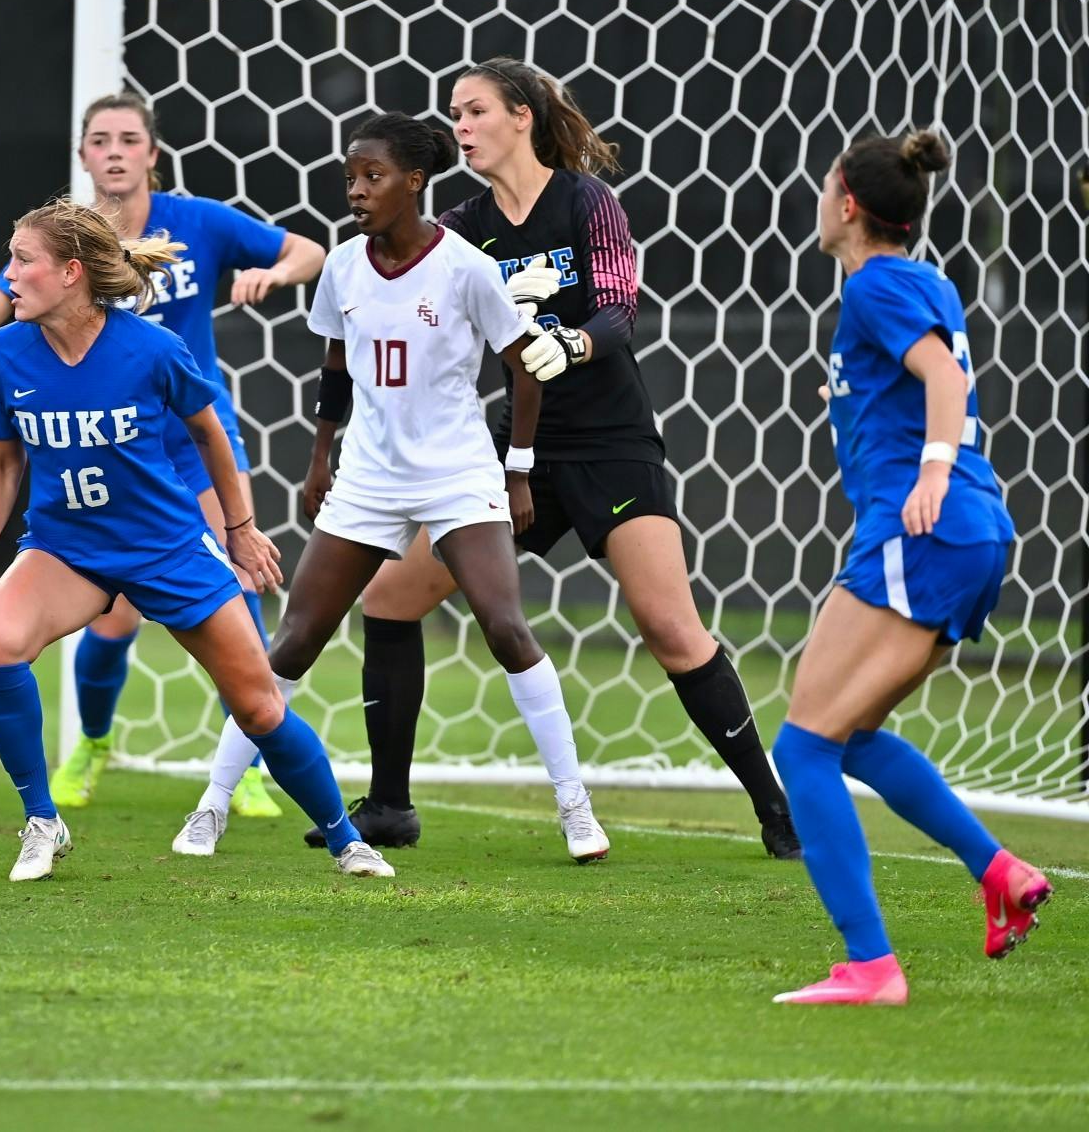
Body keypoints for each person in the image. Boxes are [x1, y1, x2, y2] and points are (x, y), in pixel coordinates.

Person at [314, 58, 798, 858]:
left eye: (474, 110)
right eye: (455, 113)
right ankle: (391, 806)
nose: (461, 126)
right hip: (515, 453)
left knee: (672, 630)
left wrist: (568, 344)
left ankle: (777, 811)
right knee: (391, 600)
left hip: (611, 444)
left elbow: (619, 312)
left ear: (522, 117)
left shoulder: (586, 201)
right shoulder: (460, 227)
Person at [174, 114, 608, 864]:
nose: (357, 191)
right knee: (294, 641)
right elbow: (335, 368)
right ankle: (212, 805)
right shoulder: (343, 266)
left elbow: (525, 368)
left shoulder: (467, 267)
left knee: (506, 627)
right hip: (369, 477)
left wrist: (519, 469)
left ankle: (575, 807)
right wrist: (320, 458)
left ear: (415, 182)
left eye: (372, 177)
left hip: (458, 472)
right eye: (350, 178)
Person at [0, 197, 391, 883]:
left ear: (71, 273)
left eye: (23, 261)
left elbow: (209, 432)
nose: (11, 276)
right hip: (66, 549)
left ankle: (345, 838)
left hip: (167, 548)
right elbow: (3, 463)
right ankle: (42, 821)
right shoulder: (3, 353)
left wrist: (239, 530)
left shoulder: (151, 348)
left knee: (259, 706)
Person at [0, 92, 326, 818]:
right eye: (100, 139)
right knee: (112, 620)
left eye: (128, 138)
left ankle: (247, 760)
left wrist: (275, 275)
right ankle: (93, 743)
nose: (114, 150)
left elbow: (308, 251)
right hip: (103, 451)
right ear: (83, 154)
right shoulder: (56, 243)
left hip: (193, 443)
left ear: (152, 152)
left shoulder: (198, 223)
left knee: (238, 582)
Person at [769, 129, 1045, 1006]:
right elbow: (915, 376)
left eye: (826, 187)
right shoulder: (924, 281)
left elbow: (944, 382)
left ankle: (871, 966)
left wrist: (930, 470)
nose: (819, 202)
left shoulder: (876, 283)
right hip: (972, 533)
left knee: (802, 749)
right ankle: (998, 871)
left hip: (922, 527)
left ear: (848, 203)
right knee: (848, 737)